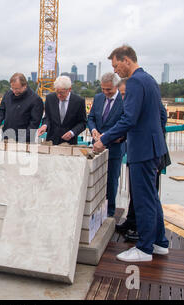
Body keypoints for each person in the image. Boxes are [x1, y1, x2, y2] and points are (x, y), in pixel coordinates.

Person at [93, 45, 169, 263]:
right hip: (153, 147)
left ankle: (144, 248)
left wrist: (104, 139)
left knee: (143, 199)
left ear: (127, 60)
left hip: (142, 150)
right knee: (152, 196)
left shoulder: (135, 81)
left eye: (116, 65)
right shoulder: (150, 80)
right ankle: (160, 242)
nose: (116, 71)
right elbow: (161, 116)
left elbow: (129, 119)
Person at [88, 73, 125, 218]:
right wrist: (93, 130)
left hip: (114, 148)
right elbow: (91, 118)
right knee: (95, 180)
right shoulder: (98, 98)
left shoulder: (123, 100)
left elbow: (123, 123)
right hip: (96, 146)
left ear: (116, 86)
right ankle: (95, 212)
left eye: (108, 90)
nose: (105, 92)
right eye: (103, 89)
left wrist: (108, 136)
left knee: (111, 182)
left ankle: (109, 213)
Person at [0, 73, 43, 142]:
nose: (14, 91)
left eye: (16, 89)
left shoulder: (35, 100)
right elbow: (1, 111)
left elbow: (34, 123)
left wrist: (23, 139)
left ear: (25, 86)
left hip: (25, 140)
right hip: (7, 136)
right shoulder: (8, 95)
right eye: (12, 88)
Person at [37, 76, 87, 145]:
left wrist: (72, 132)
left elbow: (83, 123)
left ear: (69, 89)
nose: (59, 95)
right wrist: (44, 125)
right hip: (51, 141)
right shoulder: (50, 98)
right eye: (57, 92)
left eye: (62, 93)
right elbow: (47, 117)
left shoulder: (78, 101)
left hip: (70, 143)